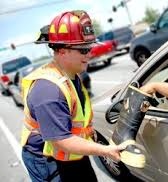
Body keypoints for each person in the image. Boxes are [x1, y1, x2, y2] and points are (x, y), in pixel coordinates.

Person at [20, 10, 125, 182]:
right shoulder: (48, 91)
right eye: (83, 49)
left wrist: (92, 136)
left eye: (89, 47)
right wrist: (105, 151)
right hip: (48, 160)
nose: (89, 54)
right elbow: (61, 141)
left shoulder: (73, 73)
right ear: (61, 51)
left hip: (72, 151)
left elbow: (77, 119)